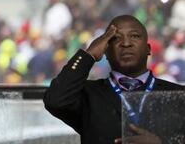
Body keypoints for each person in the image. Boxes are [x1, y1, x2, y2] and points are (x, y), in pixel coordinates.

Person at [44, 15, 184, 144]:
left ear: (148, 49)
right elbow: (55, 101)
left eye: (134, 36)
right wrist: (88, 55)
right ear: (105, 50)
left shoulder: (178, 96)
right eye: (116, 38)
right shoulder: (87, 95)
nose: (126, 43)